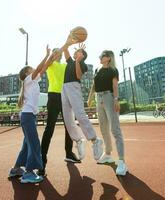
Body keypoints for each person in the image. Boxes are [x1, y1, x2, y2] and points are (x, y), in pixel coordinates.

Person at [8, 45, 55, 183]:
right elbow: (41, 67)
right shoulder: (28, 80)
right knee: (34, 143)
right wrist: (46, 55)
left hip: (28, 116)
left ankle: (16, 168)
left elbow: (44, 68)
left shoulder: (33, 80)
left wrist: (52, 57)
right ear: (27, 74)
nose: (34, 69)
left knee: (27, 144)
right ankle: (28, 172)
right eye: (31, 69)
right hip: (28, 116)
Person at [59, 36, 103, 161]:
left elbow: (78, 76)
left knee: (80, 114)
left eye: (78, 51)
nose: (75, 51)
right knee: (67, 119)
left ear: (82, 55)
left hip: (74, 86)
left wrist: (78, 61)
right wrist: (68, 40)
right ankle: (78, 140)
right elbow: (65, 50)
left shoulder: (82, 64)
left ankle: (95, 140)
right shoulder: (70, 62)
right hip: (65, 88)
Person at [39, 48, 80, 177]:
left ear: (62, 54)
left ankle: (69, 153)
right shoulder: (51, 63)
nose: (57, 53)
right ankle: (41, 161)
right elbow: (42, 70)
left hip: (66, 96)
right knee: (49, 128)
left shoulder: (66, 65)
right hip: (53, 96)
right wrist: (49, 55)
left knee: (70, 126)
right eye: (55, 52)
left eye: (59, 52)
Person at [87, 50, 128, 176]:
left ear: (108, 58)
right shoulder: (97, 70)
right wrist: (90, 97)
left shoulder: (113, 70)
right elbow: (94, 85)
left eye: (102, 55)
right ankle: (108, 154)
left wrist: (116, 99)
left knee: (115, 129)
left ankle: (122, 162)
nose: (99, 57)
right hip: (98, 99)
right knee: (103, 128)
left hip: (109, 97)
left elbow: (115, 86)